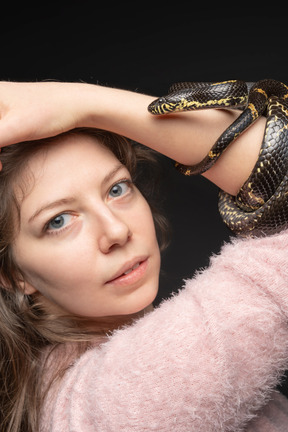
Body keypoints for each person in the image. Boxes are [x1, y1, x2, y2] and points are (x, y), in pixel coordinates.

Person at [0, 80, 288, 432]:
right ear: (13, 275)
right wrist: (79, 101)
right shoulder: (125, 399)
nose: (117, 231)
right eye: (58, 221)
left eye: (117, 189)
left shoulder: (59, 393)